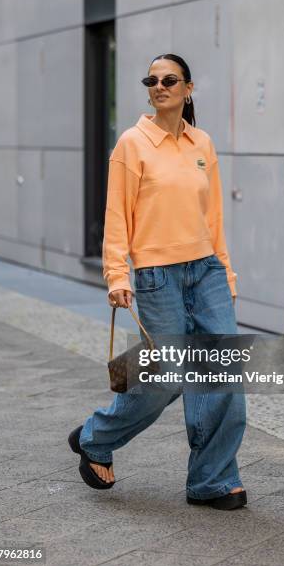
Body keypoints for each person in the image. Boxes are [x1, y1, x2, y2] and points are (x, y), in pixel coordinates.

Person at [68, 53, 247, 510]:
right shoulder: (132, 142)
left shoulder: (201, 143)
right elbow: (116, 215)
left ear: (188, 89)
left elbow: (214, 219)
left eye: (170, 79)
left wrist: (224, 273)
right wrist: (115, 273)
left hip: (205, 269)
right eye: (152, 79)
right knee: (167, 376)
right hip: (155, 277)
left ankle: (212, 479)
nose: (160, 85)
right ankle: (95, 436)